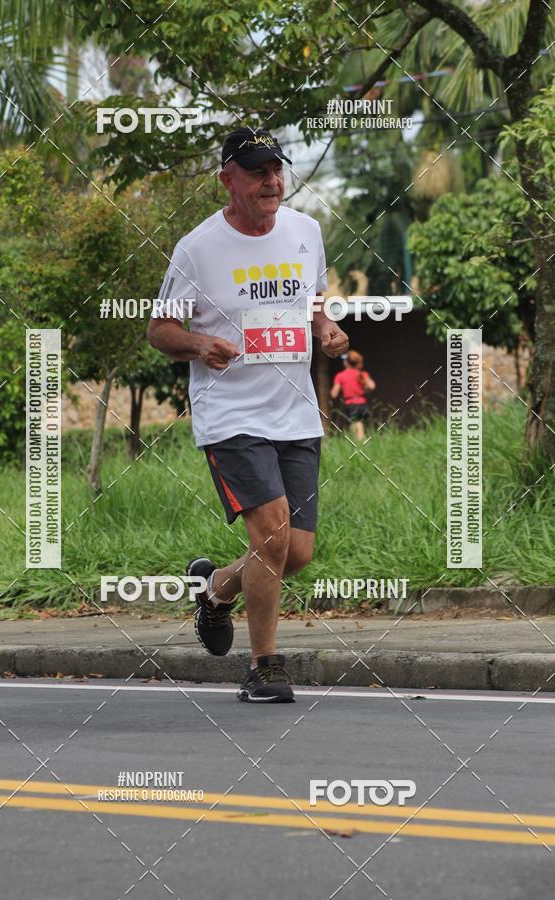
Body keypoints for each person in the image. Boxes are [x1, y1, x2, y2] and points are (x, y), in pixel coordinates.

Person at [146, 127, 348, 703]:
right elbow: (160, 329)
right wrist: (198, 344)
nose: (272, 181)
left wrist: (326, 330)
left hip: (296, 414)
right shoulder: (198, 248)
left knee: (295, 552)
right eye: (257, 172)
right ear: (227, 180)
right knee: (273, 534)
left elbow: (312, 305)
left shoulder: (306, 232)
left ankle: (215, 590)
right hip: (231, 414)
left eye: (276, 170)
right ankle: (264, 668)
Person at [330, 350, 376, 441]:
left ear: (346, 362)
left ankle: (361, 443)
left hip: (351, 404)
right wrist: (364, 390)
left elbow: (334, 394)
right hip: (363, 404)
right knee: (356, 424)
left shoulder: (341, 375)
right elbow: (372, 386)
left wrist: (333, 392)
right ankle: (359, 442)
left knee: (357, 424)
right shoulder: (361, 374)